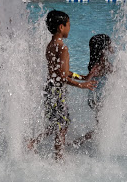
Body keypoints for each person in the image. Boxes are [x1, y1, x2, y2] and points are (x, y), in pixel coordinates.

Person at [28, 10, 96, 160]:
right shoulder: (63, 48)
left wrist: (82, 76)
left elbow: (60, 71)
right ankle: (58, 157)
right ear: (61, 27)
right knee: (62, 126)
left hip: (49, 88)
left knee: (54, 124)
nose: (69, 28)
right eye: (68, 25)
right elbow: (63, 76)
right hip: (58, 91)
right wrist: (82, 85)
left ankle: (32, 143)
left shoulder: (51, 45)